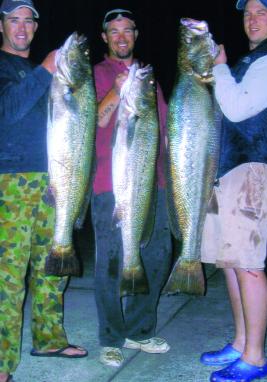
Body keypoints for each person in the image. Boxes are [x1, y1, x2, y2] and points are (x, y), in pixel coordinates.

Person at [199, 0, 267, 381]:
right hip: (231, 173)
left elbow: (238, 110)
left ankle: (255, 357)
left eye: (261, 12)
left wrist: (220, 67)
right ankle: (240, 343)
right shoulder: (249, 63)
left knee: (250, 265)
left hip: (254, 172)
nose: (252, 19)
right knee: (232, 262)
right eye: (247, 13)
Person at [0, 1, 88, 381]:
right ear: (1, 25)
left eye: (28, 21)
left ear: (36, 27)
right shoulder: (10, 68)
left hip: (54, 178)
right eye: (13, 20)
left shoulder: (45, 73)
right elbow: (7, 111)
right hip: (11, 182)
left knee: (54, 267)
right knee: (8, 275)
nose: (21, 28)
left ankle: (49, 338)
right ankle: (2, 362)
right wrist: (45, 70)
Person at [91, 8, 172, 367]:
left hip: (152, 185)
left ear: (136, 35)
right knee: (109, 263)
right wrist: (114, 92)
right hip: (108, 186)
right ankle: (110, 336)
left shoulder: (148, 78)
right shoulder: (94, 74)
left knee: (155, 257)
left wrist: (171, 182)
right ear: (104, 37)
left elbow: (166, 132)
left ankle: (140, 330)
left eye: (127, 31)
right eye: (114, 31)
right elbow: (87, 123)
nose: (121, 37)